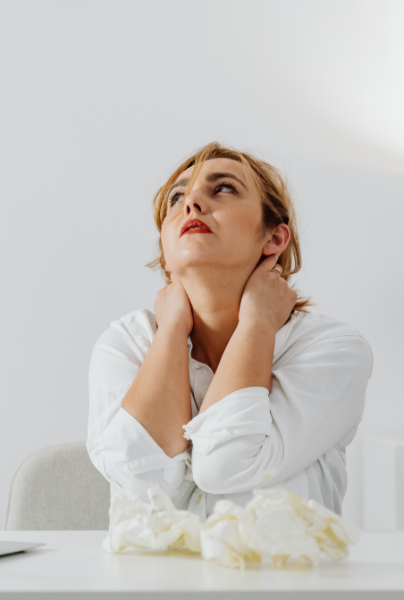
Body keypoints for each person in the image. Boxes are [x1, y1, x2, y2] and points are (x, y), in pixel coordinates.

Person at [87, 142, 372, 520]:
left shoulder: (333, 350)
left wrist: (257, 322)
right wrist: (171, 328)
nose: (191, 204)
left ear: (273, 238)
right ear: (165, 249)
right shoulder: (126, 344)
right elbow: (141, 483)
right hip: (148, 580)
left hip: (284, 578)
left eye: (222, 188)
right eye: (176, 197)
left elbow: (226, 465)